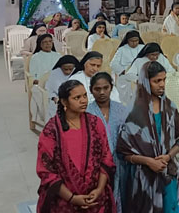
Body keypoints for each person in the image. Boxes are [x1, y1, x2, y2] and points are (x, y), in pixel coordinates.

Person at [36, 80, 116, 212]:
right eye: (77, 98)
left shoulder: (95, 123)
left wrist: (99, 189)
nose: (83, 100)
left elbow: (106, 158)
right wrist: (72, 198)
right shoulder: (51, 131)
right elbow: (46, 171)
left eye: (85, 96)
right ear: (64, 102)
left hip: (95, 200)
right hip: (63, 203)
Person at [117, 61, 179, 212]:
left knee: (168, 207)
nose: (162, 85)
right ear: (145, 83)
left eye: (164, 79)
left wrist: (167, 157)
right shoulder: (133, 114)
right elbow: (124, 152)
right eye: (156, 81)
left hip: (167, 170)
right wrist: (148, 162)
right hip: (143, 178)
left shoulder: (170, 108)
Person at [87, 73, 130, 211]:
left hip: (120, 161)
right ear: (91, 90)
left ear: (111, 88)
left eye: (106, 88)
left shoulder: (121, 109)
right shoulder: (87, 112)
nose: (102, 92)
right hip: (96, 164)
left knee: (121, 194)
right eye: (97, 89)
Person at [45, 55, 80, 120]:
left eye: (70, 69)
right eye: (65, 69)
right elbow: (49, 90)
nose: (68, 71)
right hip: (58, 100)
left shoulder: (77, 73)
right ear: (60, 67)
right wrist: (53, 97)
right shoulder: (55, 74)